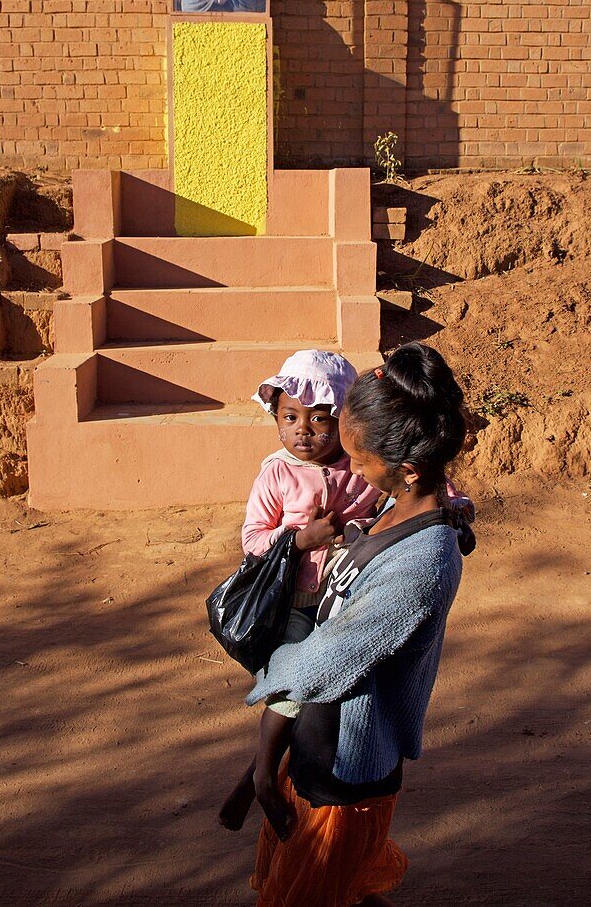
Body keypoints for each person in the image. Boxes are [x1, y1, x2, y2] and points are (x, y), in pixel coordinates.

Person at [244, 342, 475, 907]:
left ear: (408, 468)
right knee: (338, 891)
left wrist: (267, 686)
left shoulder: (422, 563)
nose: (351, 467)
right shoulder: (393, 506)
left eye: (360, 458)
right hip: (323, 740)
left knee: (315, 891)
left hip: (349, 763)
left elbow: (327, 661)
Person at [219, 350, 380, 839]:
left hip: (343, 597)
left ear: (345, 422)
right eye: (290, 418)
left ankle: (251, 779)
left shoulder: (362, 466)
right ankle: (266, 777)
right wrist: (298, 540)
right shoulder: (276, 473)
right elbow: (252, 540)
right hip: (292, 600)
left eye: (320, 420)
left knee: (322, 695)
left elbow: (402, 493)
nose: (303, 431)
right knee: (291, 684)